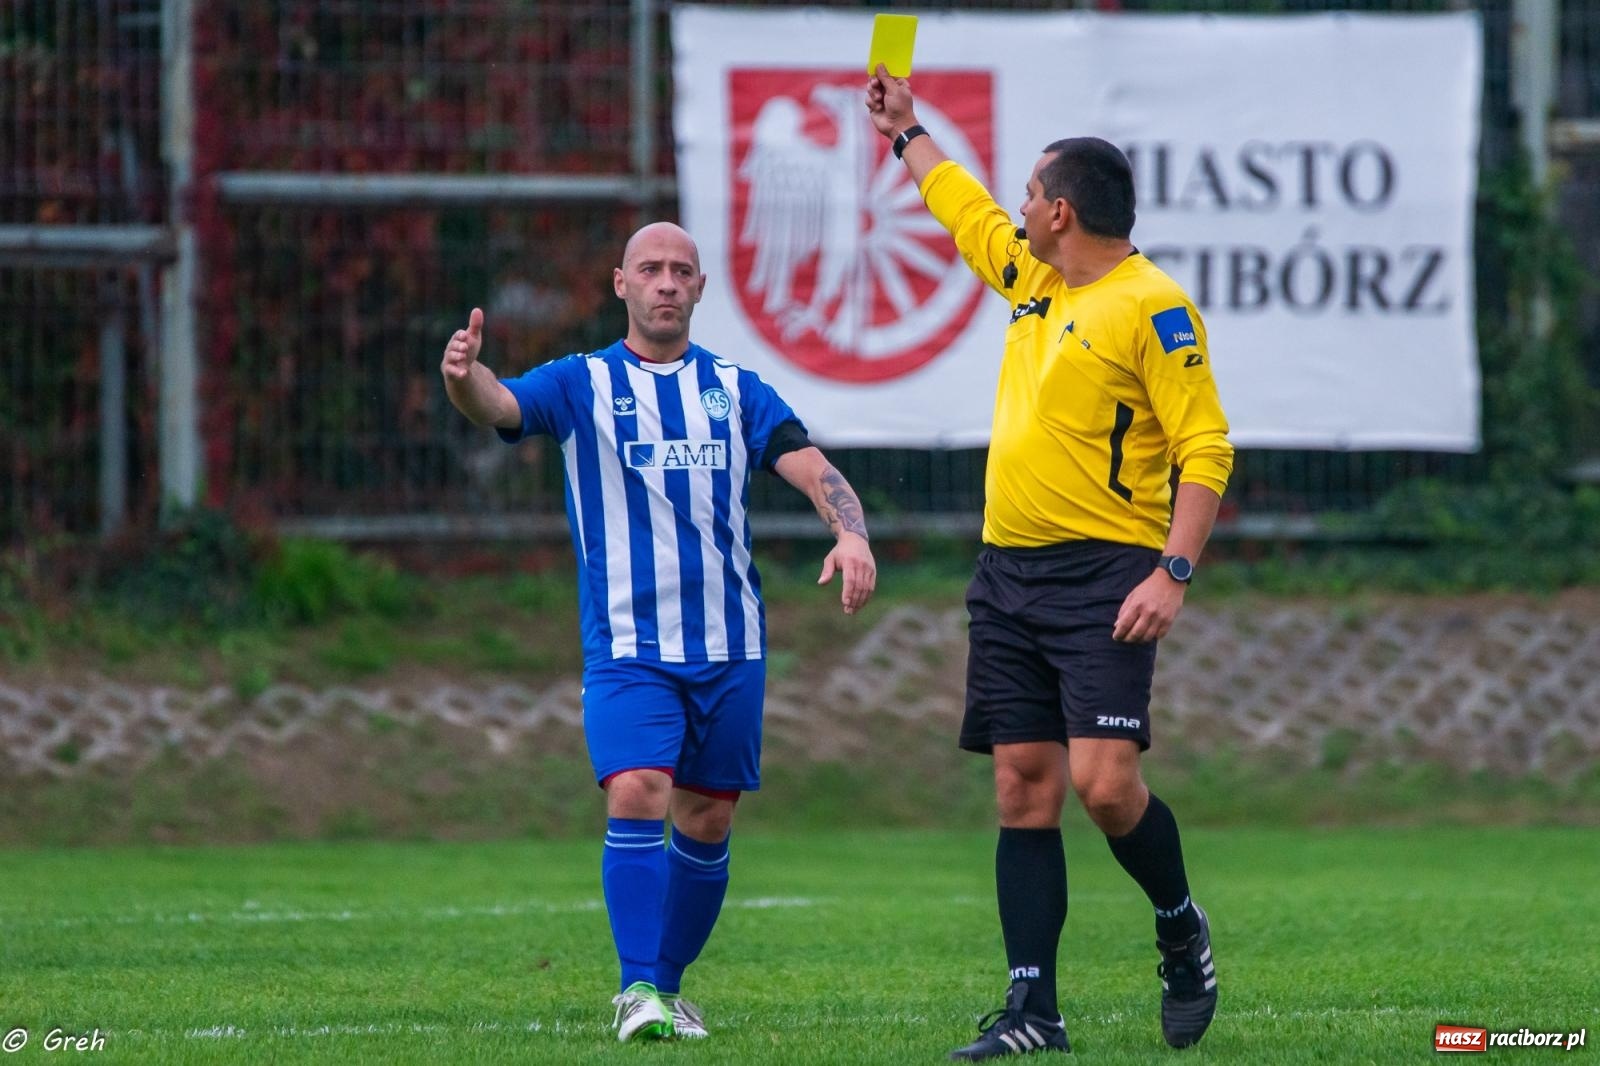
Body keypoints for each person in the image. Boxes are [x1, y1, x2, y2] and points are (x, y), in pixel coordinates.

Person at [867, 67, 1233, 1057]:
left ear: (1062, 210)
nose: (1018, 208)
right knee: (1022, 784)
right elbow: (967, 212)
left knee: (1105, 785)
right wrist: (907, 134)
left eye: (1031, 194)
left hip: (1105, 577)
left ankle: (1179, 926)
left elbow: (1205, 449)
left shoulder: (1152, 306)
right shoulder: (1038, 279)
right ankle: (1034, 1010)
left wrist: (1174, 571)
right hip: (1008, 575)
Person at [440, 221, 877, 1042]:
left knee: (707, 820)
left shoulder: (735, 388)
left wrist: (848, 530)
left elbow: (808, 463)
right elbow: (499, 405)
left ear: (701, 289)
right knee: (638, 787)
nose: (667, 282)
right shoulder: (580, 383)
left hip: (730, 645)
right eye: (651, 269)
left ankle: (667, 992)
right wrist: (464, 379)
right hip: (629, 647)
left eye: (682, 270)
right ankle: (635, 989)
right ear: (621, 285)